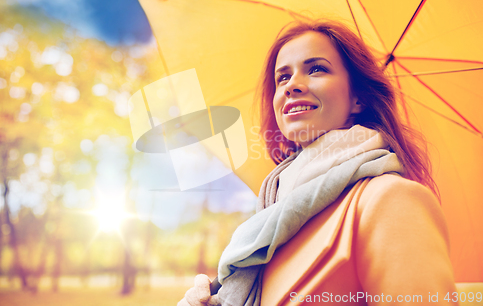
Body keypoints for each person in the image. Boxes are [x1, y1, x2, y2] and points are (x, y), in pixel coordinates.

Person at [178, 19, 457, 305]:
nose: (292, 85)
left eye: (316, 69)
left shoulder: (392, 201)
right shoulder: (268, 224)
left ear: (357, 98)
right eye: (282, 78)